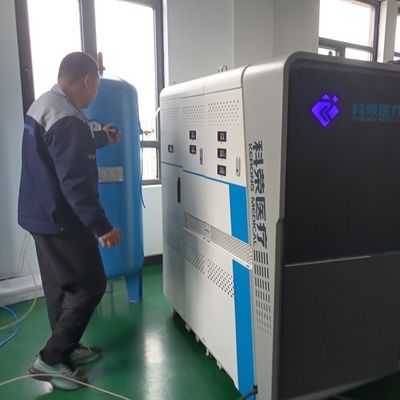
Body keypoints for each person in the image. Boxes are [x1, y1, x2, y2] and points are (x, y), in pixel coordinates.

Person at [18, 52, 121, 390]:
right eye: (96, 86)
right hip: (62, 219)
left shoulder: (45, 104)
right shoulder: (68, 118)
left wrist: (101, 137)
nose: (94, 94)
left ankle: (66, 348)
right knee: (90, 284)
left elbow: (62, 149)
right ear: (87, 81)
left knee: (60, 287)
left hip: (39, 215)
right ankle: (50, 360)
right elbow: (76, 182)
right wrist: (101, 227)